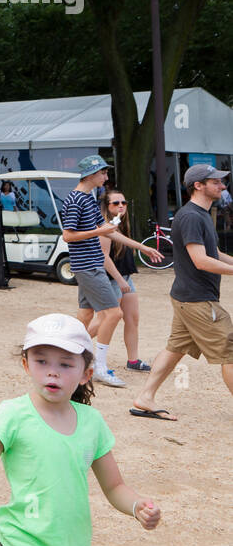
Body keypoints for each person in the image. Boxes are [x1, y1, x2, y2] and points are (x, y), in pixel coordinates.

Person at [0, 314, 161, 546]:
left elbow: (114, 487)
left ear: (86, 374)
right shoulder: (12, 415)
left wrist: (137, 506)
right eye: (41, 361)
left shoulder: (92, 422)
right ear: (26, 364)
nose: (53, 372)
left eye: (65, 364)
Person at [131, 164, 233, 421]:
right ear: (198, 185)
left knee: (175, 348)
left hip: (188, 297)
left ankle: (145, 397)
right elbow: (201, 260)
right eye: (216, 182)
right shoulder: (191, 217)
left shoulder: (201, 215)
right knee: (230, 352)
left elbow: (213, 254)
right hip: (198, 300)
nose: (222, 186)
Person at [60, 155, 160, 387]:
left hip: (90, 265)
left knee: (85, 316)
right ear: (91, 174)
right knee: (114, 314)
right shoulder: (77, 200)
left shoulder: (87, 198)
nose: (106, 178)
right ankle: (100, 367)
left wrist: (142, 247)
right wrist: (97, 232)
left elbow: (107, 231)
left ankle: (68, 356)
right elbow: (68, 235)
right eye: (103, 173)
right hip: (88, 265)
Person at [99, 192, 148, 372]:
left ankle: (133, 361)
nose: (121, 206)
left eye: (124, 202)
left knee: (132, 318)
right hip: (112, 279)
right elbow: (103, 257)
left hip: (126, 277)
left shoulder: (120, 225)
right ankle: (70, 343)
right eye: (115, 203)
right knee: (105, 320)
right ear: (106, 206)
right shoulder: (105, 228)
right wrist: (119, 280)